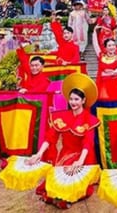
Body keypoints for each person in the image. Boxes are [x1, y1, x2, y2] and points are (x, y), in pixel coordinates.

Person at [29, 73, 99, 207]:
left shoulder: (89, 120)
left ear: (83, 101)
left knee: (75, 184)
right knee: (54, 185)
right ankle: (61, 198)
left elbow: (88, 143)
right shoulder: (62, 117)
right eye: (71, 99)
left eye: (77, 99)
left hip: (84, 157)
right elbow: (50, 137)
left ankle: (66, 199)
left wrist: (80, 161)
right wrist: (39, 154)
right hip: (65, 154)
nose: (73, 102)